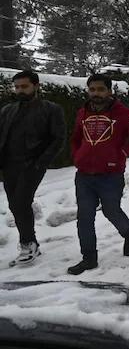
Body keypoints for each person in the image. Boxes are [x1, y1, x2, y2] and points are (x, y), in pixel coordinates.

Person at [67, 74, 129, 275]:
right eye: (92, 89)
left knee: (111, 211)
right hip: (84, 174)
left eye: (101, 89)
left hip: (110, 174)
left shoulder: (125, 113)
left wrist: (121, 153)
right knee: (84, 216)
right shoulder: (82, 113)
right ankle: (89, 258)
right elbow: (76, 138)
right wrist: (77, 156)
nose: (96, 93)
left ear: (110, 91)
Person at [0, 70, 65, 266]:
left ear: (36, 86)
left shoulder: (51, 109)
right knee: (15, 205)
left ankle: (27, 244)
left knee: (20, 202)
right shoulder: (7, 110)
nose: (20, 90)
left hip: (32, 165)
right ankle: (32, 242)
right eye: (17, 86)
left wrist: (40, 162)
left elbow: (58, 138)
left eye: (24, 86)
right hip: (8, 165)